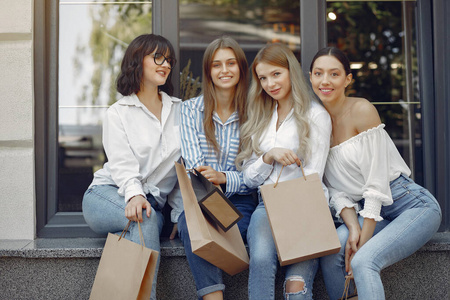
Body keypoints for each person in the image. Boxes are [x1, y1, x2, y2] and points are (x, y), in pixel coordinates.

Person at [310, 47, 442, 300]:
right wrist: (352, 227)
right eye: (318, 73)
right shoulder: (316, 122)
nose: (325, 81)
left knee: (363, 261)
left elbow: (376, 184)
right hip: (366, 210)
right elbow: (334, 190)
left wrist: (362, 241)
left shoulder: (362, 110)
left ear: (348, 79)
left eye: (334, 74)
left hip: (409, 204)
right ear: (310, 77)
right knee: (332, 249)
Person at [82, 34, 182, 300]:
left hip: (151, 205)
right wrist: (134, 194)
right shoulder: (118, 112)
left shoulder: (181, 111)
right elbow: (122, 163)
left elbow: (183, 169)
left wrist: (178, 215)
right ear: (138, 60)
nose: (165, 64)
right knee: (144, 218)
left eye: (168, 59)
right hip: (107, 195)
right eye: (157, 57)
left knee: (144, 221)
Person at [235, 43, 332, 300]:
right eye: (263, 78)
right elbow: (248, 178)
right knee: (262, 260)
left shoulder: (316, 116)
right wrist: (269, 156)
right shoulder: (260, 117)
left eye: (276, 74)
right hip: (267, 206)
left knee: (296, 289)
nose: (269, 84)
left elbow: (313, 176)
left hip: (307, 210)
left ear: (291, 71)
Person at [177, 36, 257, 300]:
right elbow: (194, 166)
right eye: (217, 65)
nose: (224, 71)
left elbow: (256, 174)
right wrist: (213, 180)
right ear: (208, 72)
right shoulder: (190, 110)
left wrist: (225, 178)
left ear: (241, 68)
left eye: (231, 63)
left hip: (243, 202)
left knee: (218, 229)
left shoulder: (256, 111)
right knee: (192, 225)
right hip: (203, 199)